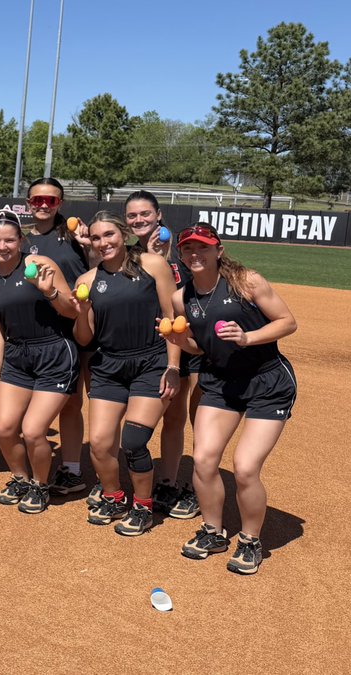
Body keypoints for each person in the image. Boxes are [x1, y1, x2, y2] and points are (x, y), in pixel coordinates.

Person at [167, 224, 297, 575]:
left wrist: (248, 336)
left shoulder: (246, 281)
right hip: (221, 382)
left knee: (244, 468)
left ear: (218, 250)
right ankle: (213, 531)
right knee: (205, 460)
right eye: (189, 249)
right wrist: (182, 345)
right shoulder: (183, 298)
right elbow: (200, 344)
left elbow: (287, 322)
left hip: (267, 381)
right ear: (181, 254)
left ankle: (250, 540)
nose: (196, 254)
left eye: (203, 248)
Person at [71, 212, 180, 536]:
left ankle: (143, 506)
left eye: (109, 235)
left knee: (133, 441)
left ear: (123, 233)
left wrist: (173, 367)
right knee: (101, 445)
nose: (103, 242)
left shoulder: (152, 264)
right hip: (109, 367)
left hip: (151, 362)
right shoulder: (87, 281)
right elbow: (84, 338)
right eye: (96, 238)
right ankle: (114, 496)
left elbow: (171, 317)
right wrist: (82, 311)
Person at [0, 209, 78, 514]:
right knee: (5, 428)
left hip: (54, 353)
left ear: (21, 241)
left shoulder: (40, 264)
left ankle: (40, 484)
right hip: (16, 356)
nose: (3, 246)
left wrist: (50, 293)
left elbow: (72, 311)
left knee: (34, 430)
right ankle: (21, 477)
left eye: (9, 240)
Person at [124, 190, 200, 519]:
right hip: (151, 346)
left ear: (158, 215)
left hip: (189, 344)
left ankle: (174, 482)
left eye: (145, 214)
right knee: (149, 413)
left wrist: (167, 259)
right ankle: (153, 478)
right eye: (132, 216)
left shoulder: (181, 251)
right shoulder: (126, 254)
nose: (139, 220)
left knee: (181, 417)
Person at [23, 178, 90, 497]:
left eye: (50, 201)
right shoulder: (22, 241)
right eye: (37, 200)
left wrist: (88, 247)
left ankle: (72, 468)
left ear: (60, 204)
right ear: (28, 202)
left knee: (72, 402)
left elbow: (99, 273)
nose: (43, 205)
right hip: (34, 330)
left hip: (72, 327)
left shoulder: (74, 236)